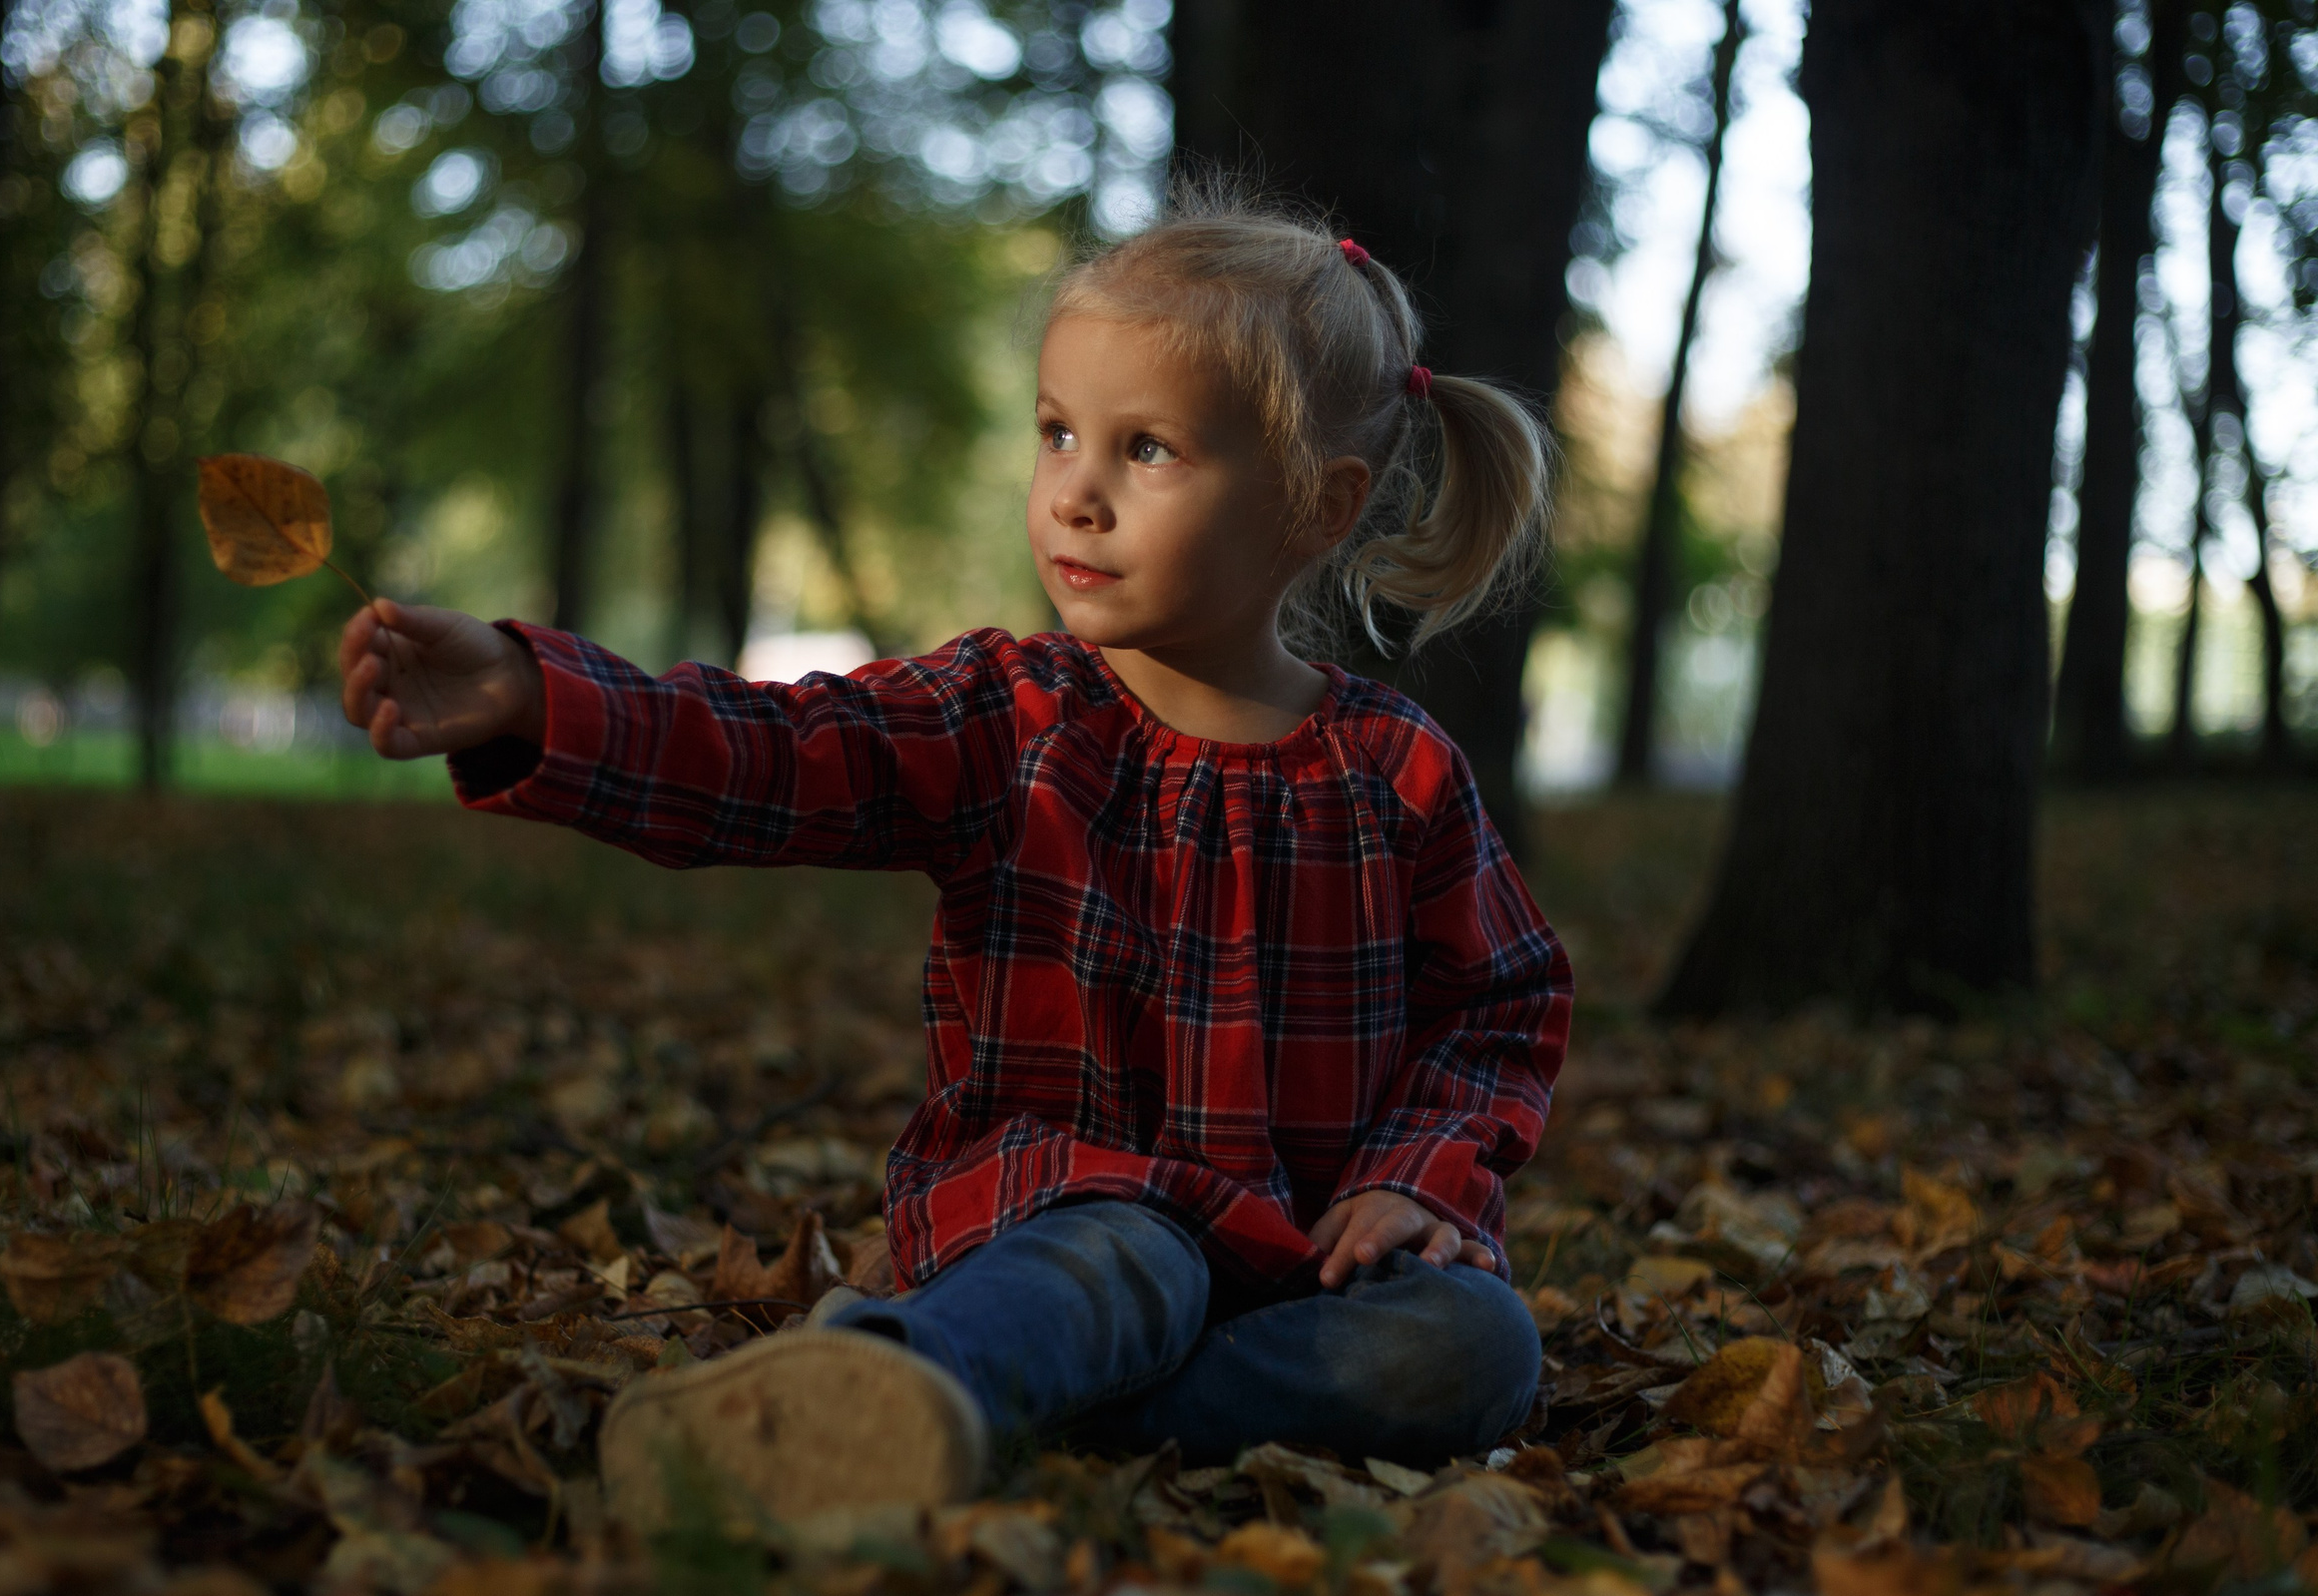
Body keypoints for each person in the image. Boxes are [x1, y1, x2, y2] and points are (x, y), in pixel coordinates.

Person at [338, 188, 1572, 1523]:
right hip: (1070, 1224)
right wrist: (540, 697)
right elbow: (771, 751)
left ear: (1314, 506)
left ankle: (976, 1414)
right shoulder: (1011, 714)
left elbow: (1499, 1007)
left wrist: (1418, 1173)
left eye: (1147, 450)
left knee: (1479, 1342)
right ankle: (889, 1387)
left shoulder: (1396, 768)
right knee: (1127, 1263)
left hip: (1302, 1272)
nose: (1076, 495)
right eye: (1057, 434)